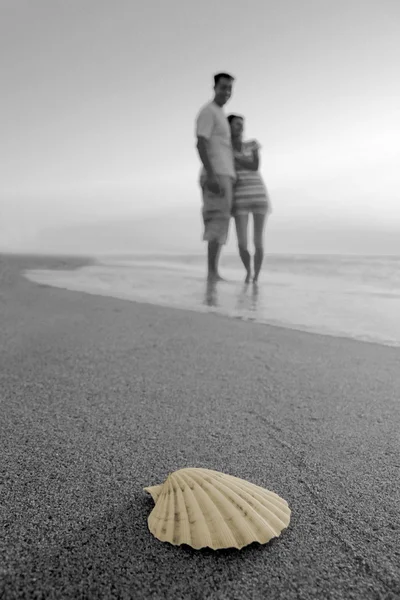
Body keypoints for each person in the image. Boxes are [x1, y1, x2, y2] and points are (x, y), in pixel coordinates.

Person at [195, 73, 236, 282]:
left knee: (221, 223)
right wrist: (211, 174)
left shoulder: (221, 114)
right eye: (223, 87)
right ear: (214, 87)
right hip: (216, 174)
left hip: (224, 174)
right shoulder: (208, 112)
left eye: (230, 88)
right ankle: (212, 272)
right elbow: (201, 143)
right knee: (215, 221)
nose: (226, 92)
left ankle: (214, 271)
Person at [228, 114, 272, 284]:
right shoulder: (225, 148)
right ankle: (248, 271)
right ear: (229, 126)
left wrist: (236, 160)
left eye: (242, 124)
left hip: (259, 196)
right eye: (237, 124)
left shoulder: (252, 144)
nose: (241, 127)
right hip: (239, 199)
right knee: (242, 243)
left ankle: (256, 277)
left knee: (258, 240)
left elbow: (255, 166)